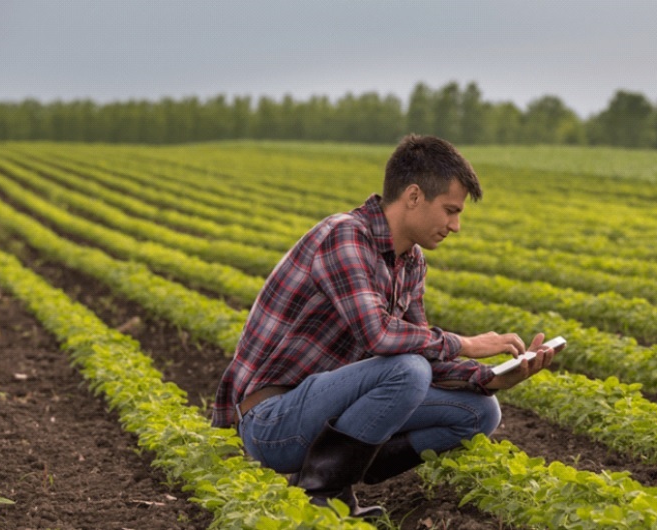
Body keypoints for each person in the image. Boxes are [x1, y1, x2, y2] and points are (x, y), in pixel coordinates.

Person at [211, 134, 559, 518]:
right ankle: (323, 494)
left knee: (480, 412)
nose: (456, 225)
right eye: (450, 210)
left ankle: (348, 465)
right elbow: (379, 335)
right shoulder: (344, 236)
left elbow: (422, 348)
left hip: (326, 412)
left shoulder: (411, 262)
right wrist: (466, 343)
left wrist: (491, 377)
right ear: (413, 196)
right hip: (274, 422)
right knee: (406, 370)